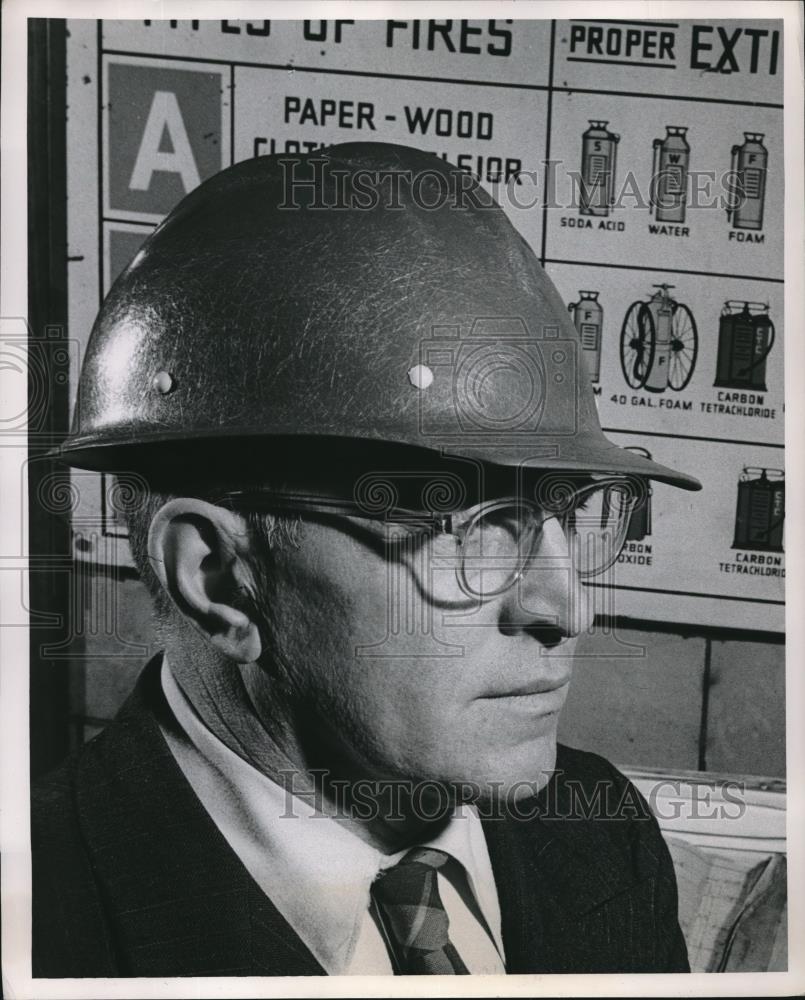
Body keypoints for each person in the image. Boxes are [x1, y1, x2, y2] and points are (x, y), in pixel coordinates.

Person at [33, 142, 697, 977]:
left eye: (565, 510)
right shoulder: (44, 924)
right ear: (218, 580)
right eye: (469, 524)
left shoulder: (599, 830)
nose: (566, 610)